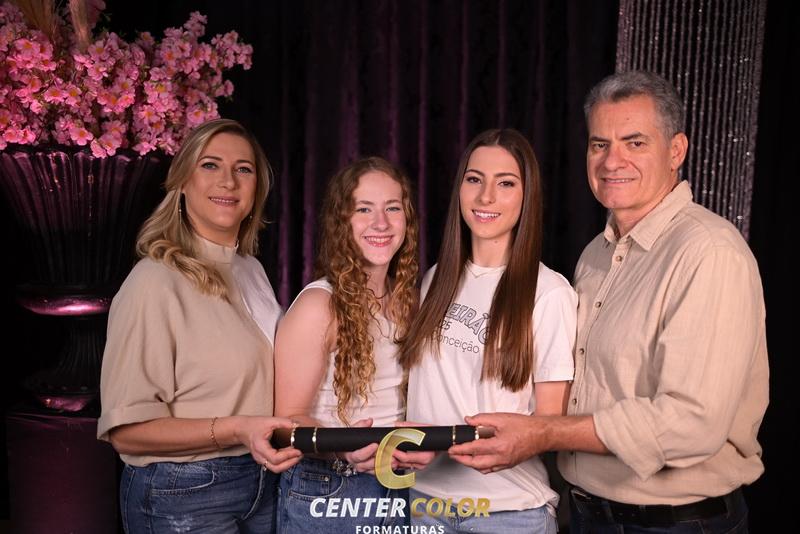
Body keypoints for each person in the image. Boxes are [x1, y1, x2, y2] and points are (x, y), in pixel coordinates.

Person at [448, 71, 768, 533]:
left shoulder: (708, 252)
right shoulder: (596, 255)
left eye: (635, 142)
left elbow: (691, 422)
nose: (612, 161)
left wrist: (542, 433)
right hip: (586, 515)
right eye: (600, 144)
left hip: (673, 524)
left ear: (676, 150)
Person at [97, 118, 301, 533]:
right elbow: (126, 432)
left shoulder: (250, 270)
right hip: (183, 490)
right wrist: (237, 428)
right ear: (182, 182)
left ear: (257, 190)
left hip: (263, 481)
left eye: (243, 169)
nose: (228, 181)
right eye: (210, 165)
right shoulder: (154, 281)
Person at [400, 128, 577, 534]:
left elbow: (549, 425)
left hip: (508, 514)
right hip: (425, 504)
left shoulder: (550, 292)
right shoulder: (436, 279)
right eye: (474, 179)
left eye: (506, 183)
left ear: (527, 196)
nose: (486, 197)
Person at [274, 157, 432, 533]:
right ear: (342, 221)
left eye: (392, 208)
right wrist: (343, 446)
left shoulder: (409, 301)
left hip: (400, 484)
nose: (381, 223)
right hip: (329, 485)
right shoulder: (319, 305)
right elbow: (286, 422)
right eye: (364, 209)